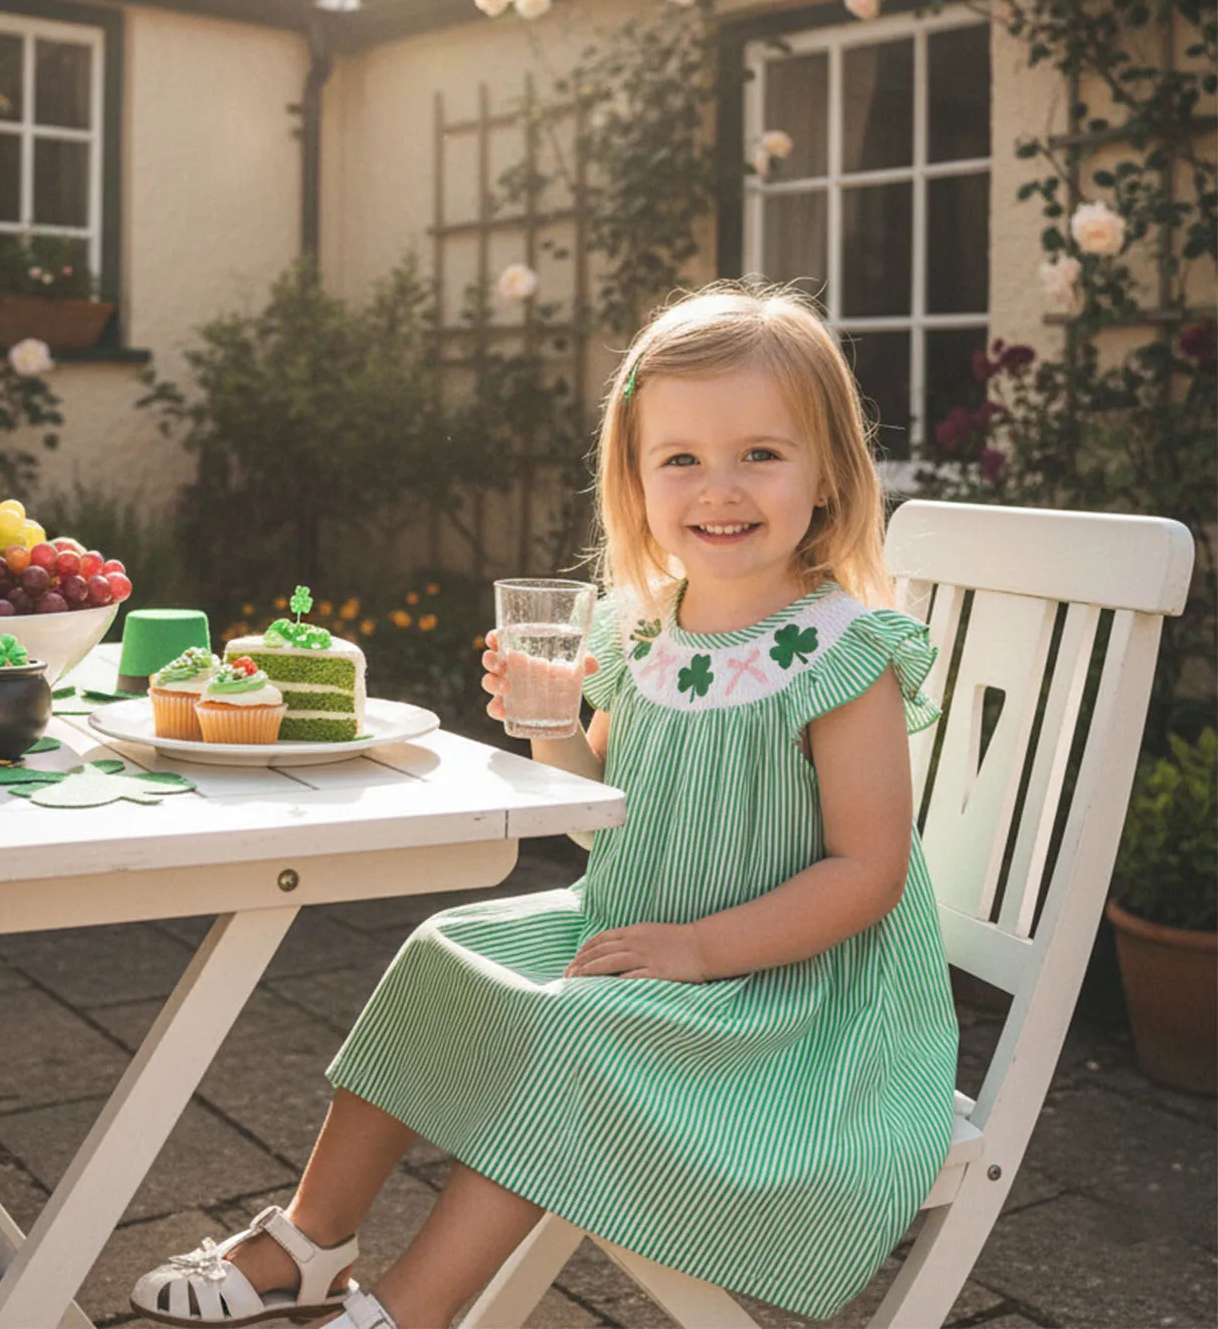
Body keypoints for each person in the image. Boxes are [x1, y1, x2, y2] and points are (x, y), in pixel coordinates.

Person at [131, 283, 958, 1329]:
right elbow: (597, 810)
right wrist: (551, 725)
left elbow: (867, 871)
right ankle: (310, 1240)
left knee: (566, 1038)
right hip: (634, 937)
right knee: (440, 948)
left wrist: (701, 949)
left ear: (828, 472)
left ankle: (408, 1311)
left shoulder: (844, 653)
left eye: (760, 453)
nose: (720, 487)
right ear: (636, 478)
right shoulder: (640, 630)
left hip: (786, 996)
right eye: (681, 459)